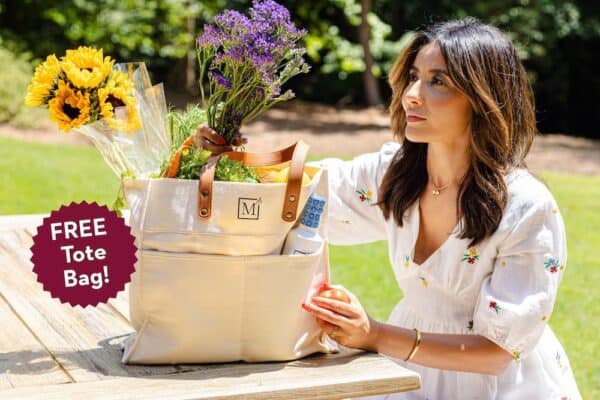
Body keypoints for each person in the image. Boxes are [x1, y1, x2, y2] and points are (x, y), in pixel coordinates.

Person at [300, 17, 582, 399]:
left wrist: (376, 335)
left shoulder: (525, 207)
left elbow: (497, 352)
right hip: (406, 369)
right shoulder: (393, 173)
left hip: (495, 385)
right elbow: (302, 190)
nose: (411, 94)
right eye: (414, 76)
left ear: (483, 98)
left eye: (438, 81)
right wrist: (224, 154)